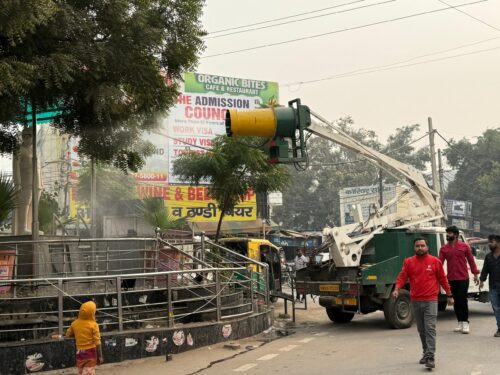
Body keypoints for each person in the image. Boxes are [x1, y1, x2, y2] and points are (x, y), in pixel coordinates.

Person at [393, 238, 453, 369]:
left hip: (431, 300)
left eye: (422, 245)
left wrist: (449, 294)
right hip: (415, 300)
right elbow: (402, 276)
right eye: (417, 246)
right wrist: (397, 288)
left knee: (430, 328)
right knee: (421, 330)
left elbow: (443, 279)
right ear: (414, 248)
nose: (420, 248)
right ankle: (426, 352)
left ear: (427, 247)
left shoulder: (435, 262)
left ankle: (430, 357)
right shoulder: (408, 262)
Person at [439, 225, 479, 334]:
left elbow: (471, 261)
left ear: (456, 235)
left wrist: (475, 274)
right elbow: (439, 263)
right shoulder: (443, 249)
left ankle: (465, 323)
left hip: (463, 278)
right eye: (447, 233)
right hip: (451, 278)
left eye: (450, 233)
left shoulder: (464, 247)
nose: (447, 235)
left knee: (462, 299)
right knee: (455, 301)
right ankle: (460, 322)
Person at [66, 301, 103, 375]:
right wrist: (100, 356)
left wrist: (78, 333)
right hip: (90, 354)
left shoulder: (74, 323)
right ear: (92, 312)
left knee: (81, 371)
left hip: (79, 354)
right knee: (89, 372)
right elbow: (97, 342)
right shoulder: (94, 325)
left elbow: (68, 334)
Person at [479, 234, 500, 337]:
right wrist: (482, 280)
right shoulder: (488, 257)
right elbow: (485, 269)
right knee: (496, 308)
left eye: (492, 242)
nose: (489, 244)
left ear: (498, 243)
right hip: (493, 286)